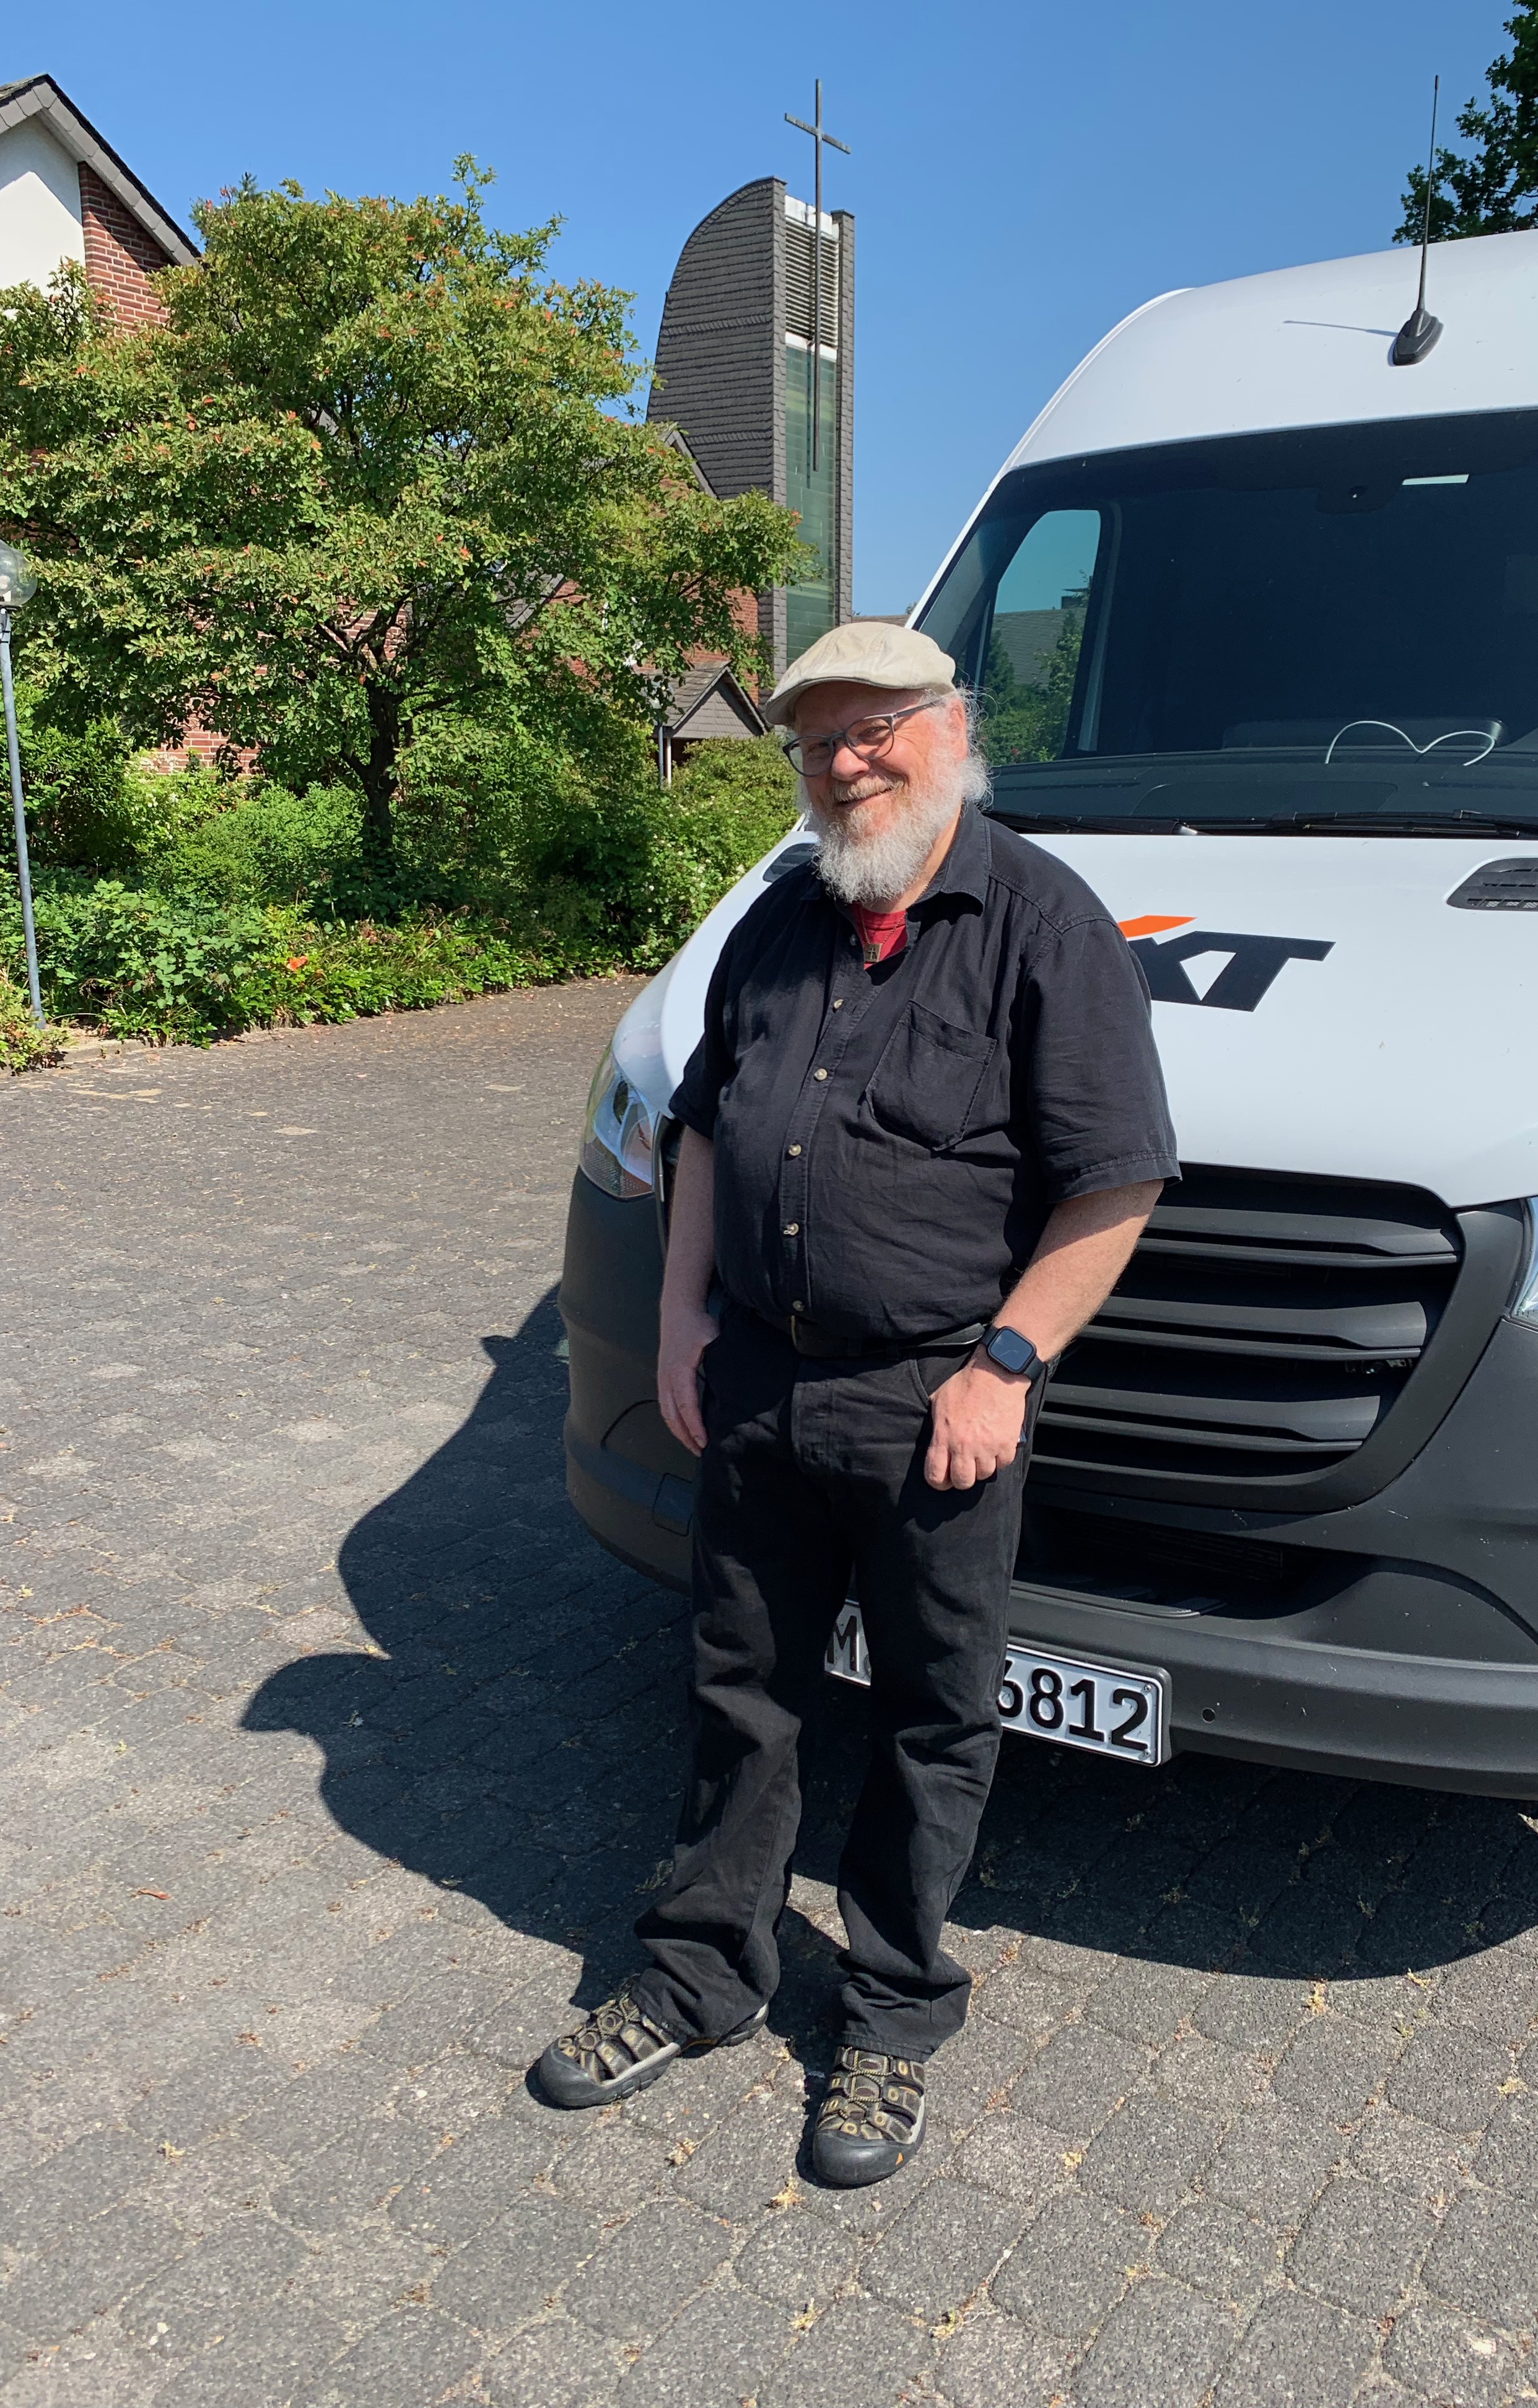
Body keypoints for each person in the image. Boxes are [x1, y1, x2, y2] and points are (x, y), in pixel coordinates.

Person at [535, 622, 1177, 2184]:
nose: (845, 761)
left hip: (934, 1401)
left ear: (952, 728)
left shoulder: (1044, 922)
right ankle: (700, 1974)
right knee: (740, 1688)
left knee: (930, 1716)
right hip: (757, 1380)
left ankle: (891, 2012)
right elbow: (701, 1131)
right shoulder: (780, 918)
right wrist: (681, 1320)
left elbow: (1116, 1181)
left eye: (876, 726)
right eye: (819, 737)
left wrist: (1006, 1366)